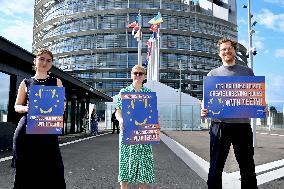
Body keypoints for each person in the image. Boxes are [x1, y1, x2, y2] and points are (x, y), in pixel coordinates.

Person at [201, 38, 258, 189]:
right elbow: (206, 100)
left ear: (234, 50)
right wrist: (204, 109)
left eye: (229, 48)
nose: (226, 51)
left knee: (247, 166)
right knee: (215, 166)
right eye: (223, 49)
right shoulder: (212, 74)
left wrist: (261, 106)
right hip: (219, 126)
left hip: (242, 126)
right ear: (220, 53)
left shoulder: (247, 72)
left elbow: (254, 96)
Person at [13, 49, 66, 188]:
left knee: (54, 171)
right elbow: (17, 106)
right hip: (26, 132)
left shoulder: (57, 82)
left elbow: (62, 106)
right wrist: (27, 108)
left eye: (49, 60)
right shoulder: (26, 83)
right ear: (34, 61)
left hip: (47, 130)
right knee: (25, 172)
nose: (44, 62)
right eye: (41, 59)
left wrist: (61, 105)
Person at [115, 65, 155, 189]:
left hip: (143, 133)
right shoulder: (124, 92)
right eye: (135, 73)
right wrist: (120, 119)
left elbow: (152, 113)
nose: (137, 75)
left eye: (140, 73)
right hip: (127, 132)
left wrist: (156, 121)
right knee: (125, 162)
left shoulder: (149, 93)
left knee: (143, 164)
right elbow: (118, 111)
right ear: (131, 75)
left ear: (144, 76)